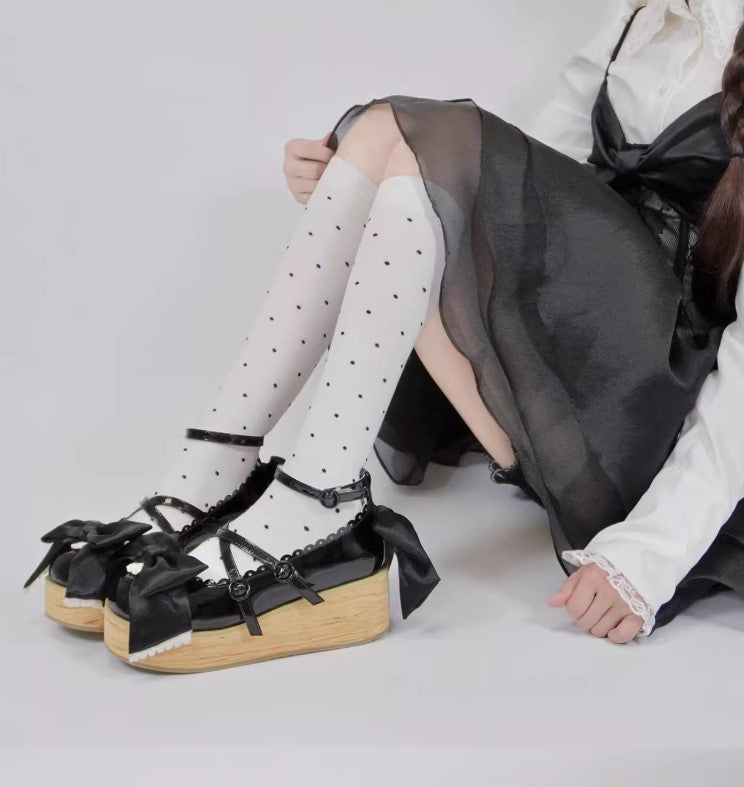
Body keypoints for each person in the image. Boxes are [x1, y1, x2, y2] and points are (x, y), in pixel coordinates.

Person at [26, 0, 744, 671]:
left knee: (406, 134)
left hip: (648, 428)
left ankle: (314, 505)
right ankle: (221, 474)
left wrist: (650, 555)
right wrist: (351, 186)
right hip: (570, 390)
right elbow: (521, 191)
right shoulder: (640, 18)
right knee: (392, 145)